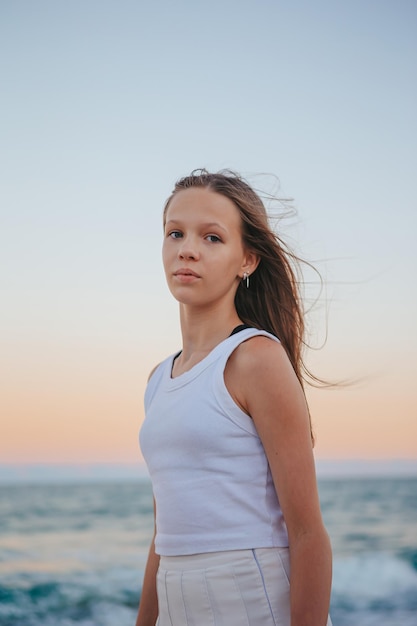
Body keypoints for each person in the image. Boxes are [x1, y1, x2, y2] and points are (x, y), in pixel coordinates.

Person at [135, 169, 333, 626]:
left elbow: (307, 533)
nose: (187, 248)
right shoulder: (157, 380)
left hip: (249, 598)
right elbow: (163, 535)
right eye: (175, 233)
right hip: (174, 600)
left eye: (212, 238)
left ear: (247, 260)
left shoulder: (256, 359)